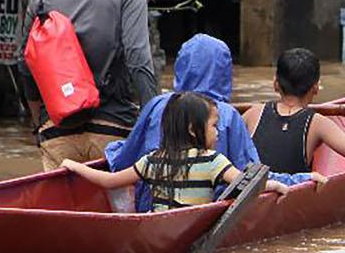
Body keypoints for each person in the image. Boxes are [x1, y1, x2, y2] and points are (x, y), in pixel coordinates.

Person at [17, 0, 156, 171]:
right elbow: (139, 63)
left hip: (56, 131)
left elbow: (25, 64)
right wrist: (156, 122)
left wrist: (38, 122)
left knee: (63, 211)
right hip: (113, 129)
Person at [105, 34, 311, 212]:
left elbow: (124, 160)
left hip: (150, 207)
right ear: (224, 71)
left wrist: (111, 149)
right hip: (205, 209)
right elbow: (251, 175)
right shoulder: (226, 115)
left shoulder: (157, 104)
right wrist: (302, 179)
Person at [63, 92, 287, 210]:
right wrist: (276, 185)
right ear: (192, 130)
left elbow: (109, 181)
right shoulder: (213, 161)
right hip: (188, 229)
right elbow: (245, 184)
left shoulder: (153, 160)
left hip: (155, 230)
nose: (218, 132)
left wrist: (74, 165)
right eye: (213, 126)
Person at [243, 48, 345, 178]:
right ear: (315, 88)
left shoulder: (253, 113)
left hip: (252, 192)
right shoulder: (318, 123)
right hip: (288, 196)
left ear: (275, 84)